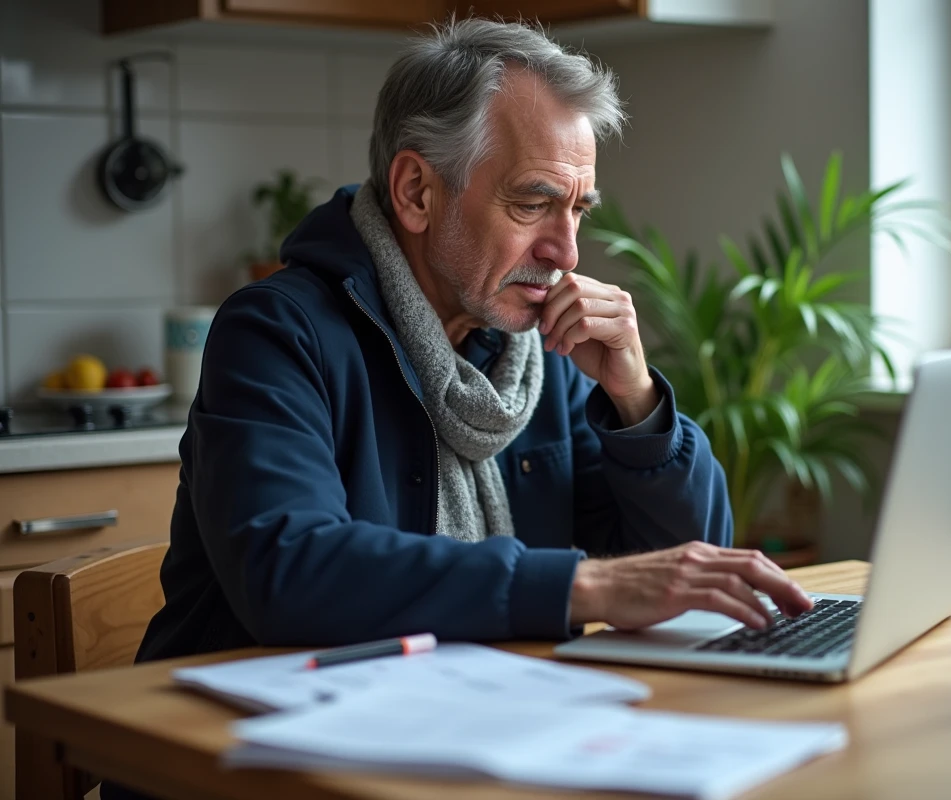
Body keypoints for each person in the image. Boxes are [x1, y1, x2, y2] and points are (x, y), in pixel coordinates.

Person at [134, 17, 812, 666]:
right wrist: (583, 588)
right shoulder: (276, 333)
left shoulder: (539, 355)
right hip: (237, 749)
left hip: (458, 721)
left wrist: (637, 402)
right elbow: (289, 572)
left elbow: (689, 571)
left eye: (577, 209)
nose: (567, 252)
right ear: (416, 192)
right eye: (531, 203)